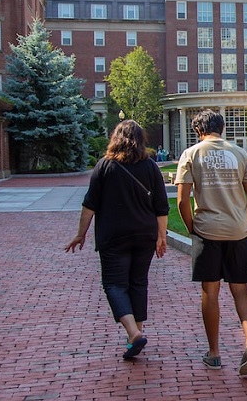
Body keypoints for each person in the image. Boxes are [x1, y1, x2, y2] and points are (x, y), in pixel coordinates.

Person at [64, 119, 169, 360]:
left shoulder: (104, 166)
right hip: (144, 234)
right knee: (138, 283)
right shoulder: (150, 166)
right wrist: (161, 236)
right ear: (141, 139)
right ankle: (136, 335)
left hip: (113, 236)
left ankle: (133, 334)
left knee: (114, 285)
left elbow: (89, 205)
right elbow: (161, 207)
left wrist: (81, 234)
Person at [174, 109, 247, 376]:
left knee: (210, 292)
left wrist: (193, 229)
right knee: (241, 289)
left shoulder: (191, 154)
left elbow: (182, 200)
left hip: (208, 230)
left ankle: (214, 353)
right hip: (238, 230)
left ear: (198, 130)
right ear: (221, 128)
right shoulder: (240, 154)